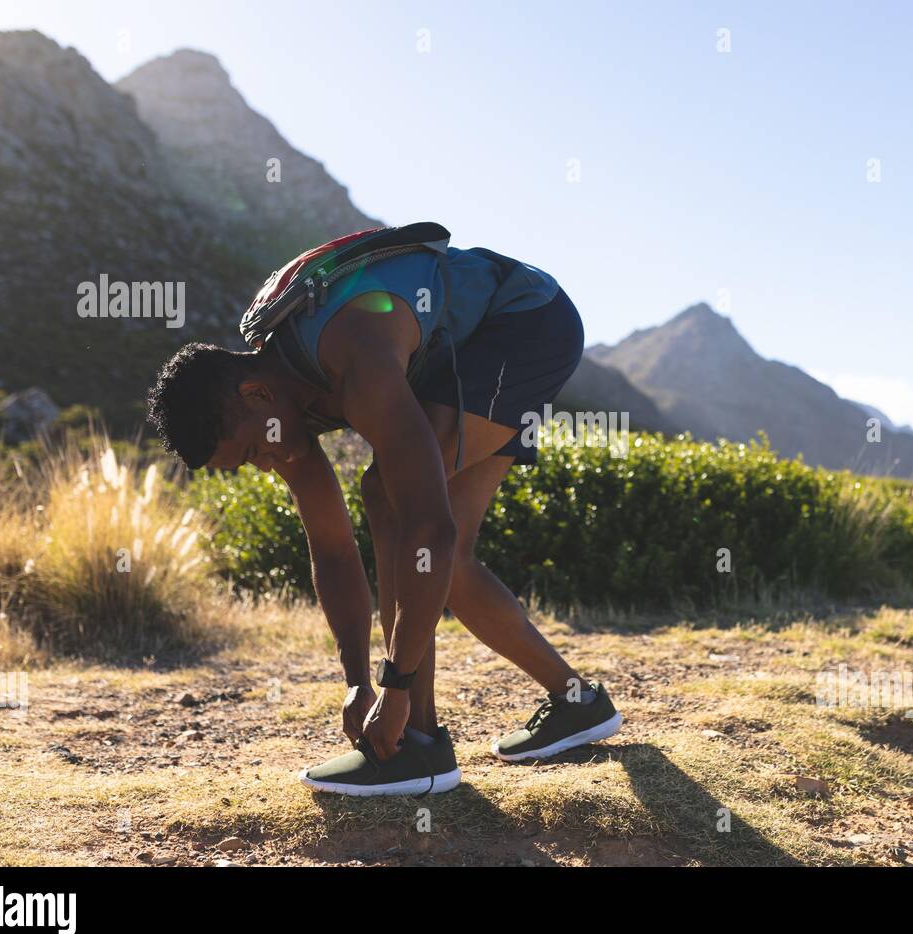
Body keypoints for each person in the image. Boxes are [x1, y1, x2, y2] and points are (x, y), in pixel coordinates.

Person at [146, 239, 622, 795]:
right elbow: (332, 548)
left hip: (525, 321)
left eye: (255, 452)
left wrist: (394, 687)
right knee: (452, 565)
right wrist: (355, 682)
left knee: (393, 500)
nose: (268, 462)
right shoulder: (275, 412)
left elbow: (428, 527)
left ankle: (416, 746)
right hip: (458, 353)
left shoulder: (354, 354)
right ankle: (577, 704)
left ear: (254, 393)